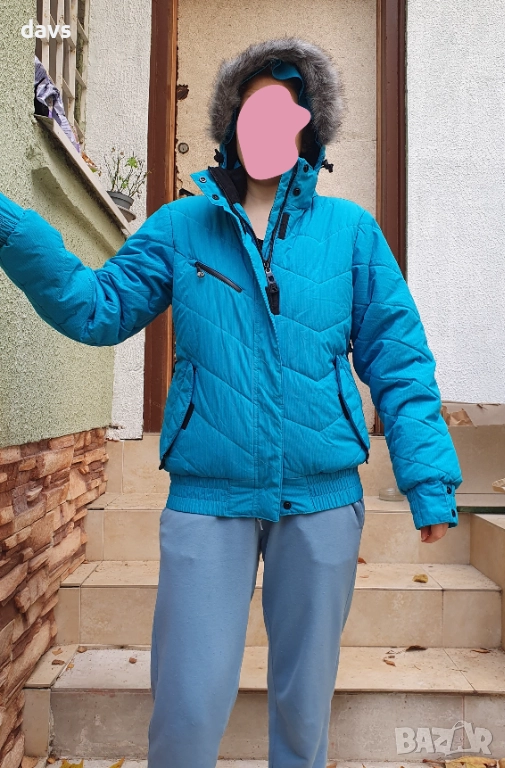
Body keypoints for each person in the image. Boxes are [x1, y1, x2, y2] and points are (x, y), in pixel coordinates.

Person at [0, 37, 462, 768]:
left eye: (284, 109)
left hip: (321, 499)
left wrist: (428, 481)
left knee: (303, 713)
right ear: (230, 124)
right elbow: (95, 308)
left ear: (309, 126)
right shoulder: (180, 227)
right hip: (208, 498)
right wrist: (10, 227)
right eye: (252, 109)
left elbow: (398, 360)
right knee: (186, 710)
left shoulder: (350, 232)